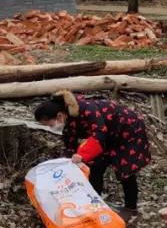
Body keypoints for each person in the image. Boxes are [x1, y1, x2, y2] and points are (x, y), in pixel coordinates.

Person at [34, 90, 150, 220]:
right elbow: (69, 142)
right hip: (107, 136)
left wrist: (82, 155)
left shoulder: (87, 109)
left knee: (126, 171)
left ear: (59, 116)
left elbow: (99, 132)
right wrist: (68, 162)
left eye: (50, 124)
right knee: (95, 168)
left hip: (127, 131)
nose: (51, 128)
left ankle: (130, 208)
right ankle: (95, 205)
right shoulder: (68, 119)